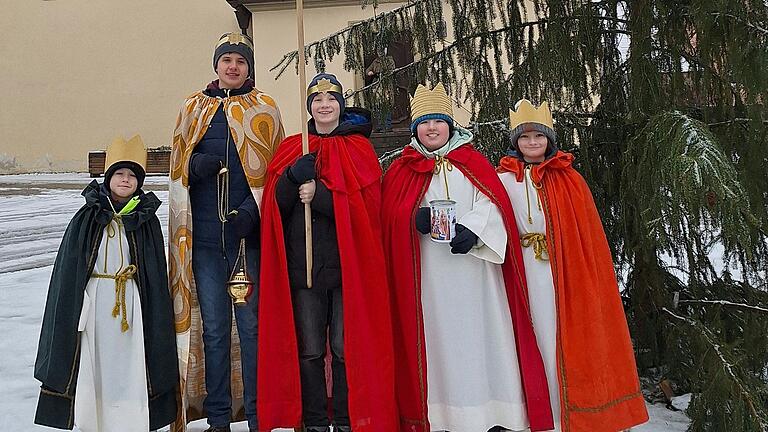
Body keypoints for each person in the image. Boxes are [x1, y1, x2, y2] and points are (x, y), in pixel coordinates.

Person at [381, 83, 554, 432]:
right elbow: (389, 215)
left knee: (484, 340)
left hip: (477, 277)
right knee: (440, 348)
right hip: (429, 280)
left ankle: (493, 413)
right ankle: (443, 415)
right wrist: (413, 217)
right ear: (415, 129)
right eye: (425, 123)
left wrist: (476, 230)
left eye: (438, 121)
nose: (432, 128)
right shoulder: (402, 168)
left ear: (450, 124)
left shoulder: (472, 161)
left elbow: (494, 204)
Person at [497, 99, 649, 432]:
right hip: (521, 270)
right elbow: (491, 219)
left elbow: (586, 236)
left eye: (539, 137)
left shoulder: (570, 179)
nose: (532, 143)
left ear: (549, 141)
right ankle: (540, 409)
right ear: (515, 142)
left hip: (562, 271)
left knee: (562, 335)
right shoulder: (503, 180)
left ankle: (571, 408)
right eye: (525, 137)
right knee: (531, 334)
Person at [257, 73, 398, 432]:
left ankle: (348, 420)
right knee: (310, 350)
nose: (324, 105)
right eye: (317, 100)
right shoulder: (293, 148)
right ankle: (317, 421)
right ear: (309, 108)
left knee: (342, 348)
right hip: (303, 269)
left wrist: (319, 196)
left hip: (346, 270)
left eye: (331, 99)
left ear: (340, 105)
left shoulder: (358, 149)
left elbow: (365, 209)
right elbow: (275, 208)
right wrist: (290, 180)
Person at [168, 32, 285, 432]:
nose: (233, 66)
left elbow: (275, 171)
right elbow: (178, 165)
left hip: (244, 241)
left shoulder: (263, 108)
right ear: (216, 66)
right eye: (226, 60)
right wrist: (196, 164)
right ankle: (218, 417)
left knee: (251, 328)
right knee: (215, 331)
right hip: (203, 241)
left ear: (248, 68)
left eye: (240, 60)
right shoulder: (193, 108)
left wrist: (253, 213)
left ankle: (257, 413)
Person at [34, 135, 178, 432]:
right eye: (120, 174)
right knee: (94, 364)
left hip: (134, 304)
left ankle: (131, 419)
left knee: (131, 365)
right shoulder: (88, 215)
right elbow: (70, 270)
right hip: (96, 303)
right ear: (109, 177)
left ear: (139, 181)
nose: (125, 180)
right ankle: (93, 419)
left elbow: (152, 269)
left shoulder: (145, 219)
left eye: (132, 175)